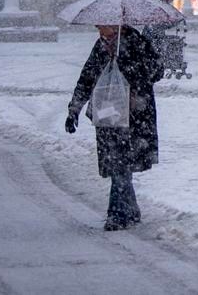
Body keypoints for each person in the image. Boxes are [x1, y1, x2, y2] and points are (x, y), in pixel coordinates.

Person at [65, 23, 163, 230]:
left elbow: (156, 71)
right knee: (118, 164)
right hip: (108, 114)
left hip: (133, 116)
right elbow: (86, 78)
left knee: (121, 164)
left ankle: (117, 214)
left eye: (103, 26)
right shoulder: (101, 46)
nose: (99, 30)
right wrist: (74, 109)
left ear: (116, 25)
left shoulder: (137, 43)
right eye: (98, 26)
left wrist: (128, 67)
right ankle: (131, 210)